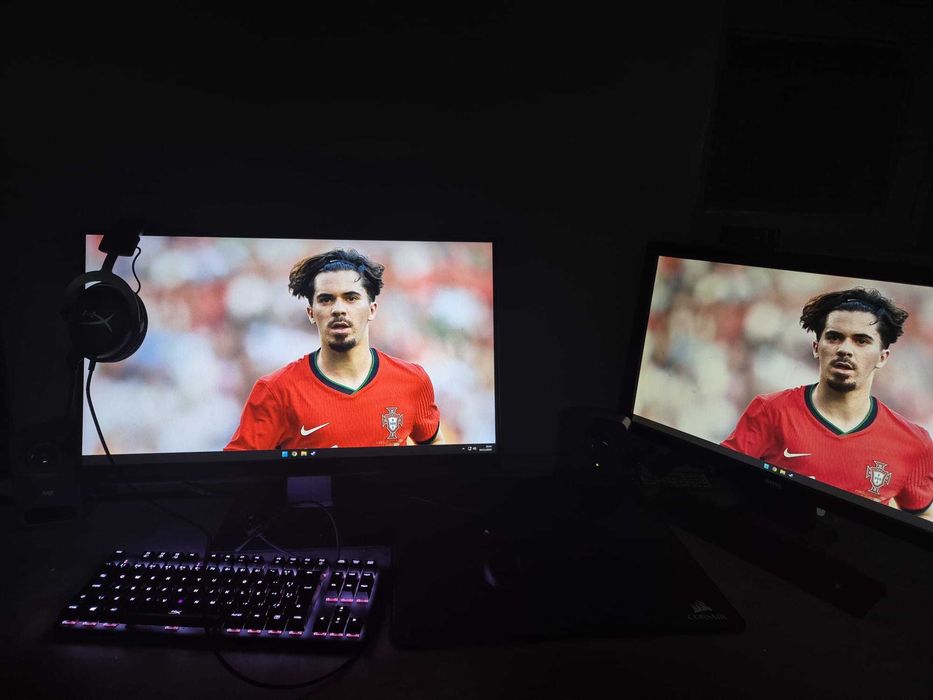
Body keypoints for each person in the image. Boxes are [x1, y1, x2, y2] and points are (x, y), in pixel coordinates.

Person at [721, 288, 933, 519]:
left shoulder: (914, 442)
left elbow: (924, 516)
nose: (845, 349)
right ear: (816, 347)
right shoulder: (770, 411)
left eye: (861, 341)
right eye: (834, 337)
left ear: (882, 357)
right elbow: (718, 479)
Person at [225, 248, 444, 450]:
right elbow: (237, 469)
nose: (339, 309)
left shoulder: (412, 381)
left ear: (372, 309)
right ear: (311, 313)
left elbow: (434, 443)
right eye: (326, 299)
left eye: (351, 298)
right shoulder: (275, 391)